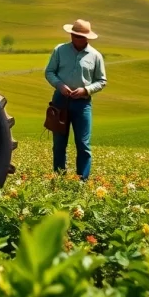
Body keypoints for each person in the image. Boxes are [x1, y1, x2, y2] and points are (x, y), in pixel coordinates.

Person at [44, 18, 106, 181]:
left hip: (82, 104)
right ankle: (58, 178)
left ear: (87, 37)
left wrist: (85, 90)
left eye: (80, 36)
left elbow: (101, 81)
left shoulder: (95, 56)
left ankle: (82, 181)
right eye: (74, 35)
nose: (76, 38)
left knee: (83, 144)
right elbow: (49, 72)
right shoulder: (60, 50)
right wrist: (60, 86)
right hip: (60, 101)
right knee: (59, 144)